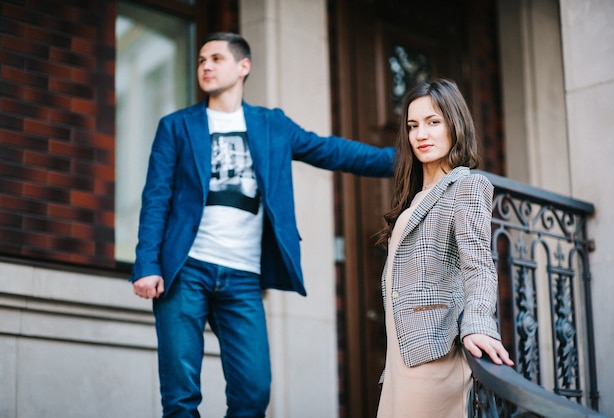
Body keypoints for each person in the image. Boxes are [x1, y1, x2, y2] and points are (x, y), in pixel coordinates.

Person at [130, 31, 394, 418]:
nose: (205, 65)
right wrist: (148, 264)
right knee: (180, 397)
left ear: (243, 67)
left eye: (216, 59)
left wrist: (403, 159)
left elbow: (332, 151)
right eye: (201, 59)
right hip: (186, 271)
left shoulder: (271, 125)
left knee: (254, 393)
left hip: (242, 278)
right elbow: (156, 198)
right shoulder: (177, 126)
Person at [374, 78, 514, 418]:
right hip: (400, 358)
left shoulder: (466, 185)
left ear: (455, 124)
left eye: (433, 122)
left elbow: (479, 265)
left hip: (432, 361)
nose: (421, 134)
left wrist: (479, 323)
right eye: (413, 125)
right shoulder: (414, 200)